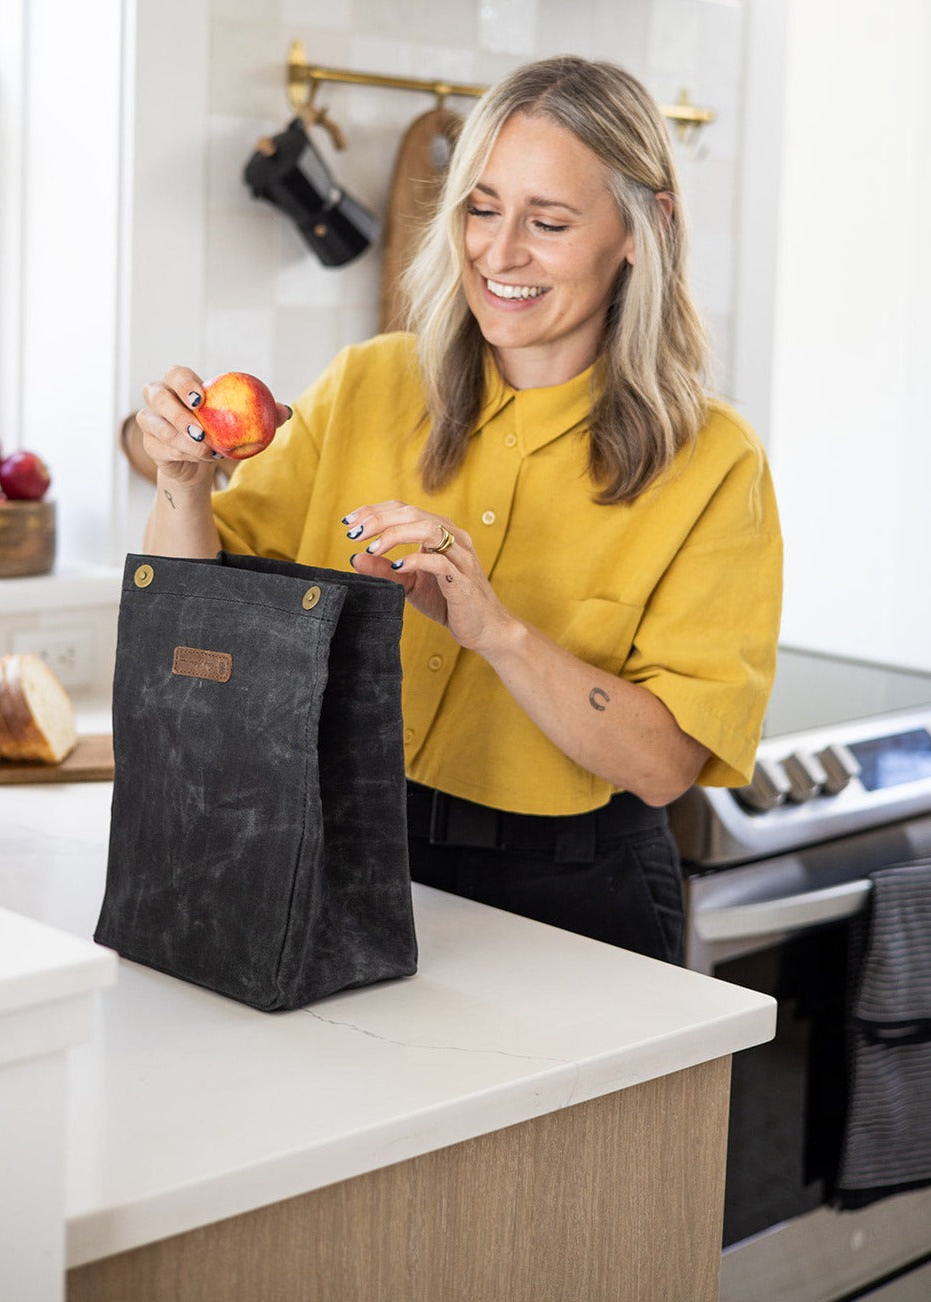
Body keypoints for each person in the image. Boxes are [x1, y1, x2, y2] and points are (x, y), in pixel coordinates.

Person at [136, 55, 782, 966]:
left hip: (574, 895)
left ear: (645, 229)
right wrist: (182, 481)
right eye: (481, 209)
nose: (499, 252)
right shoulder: (367, 384)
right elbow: (195, 623)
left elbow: (665, 764)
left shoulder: (714, 463)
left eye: (548, 221)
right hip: (337, 842)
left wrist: (494, 628)